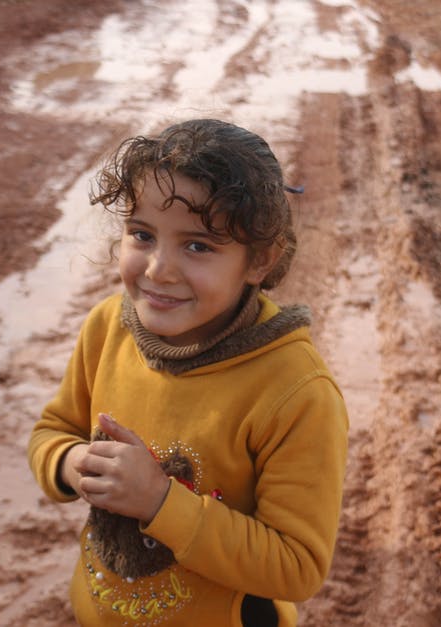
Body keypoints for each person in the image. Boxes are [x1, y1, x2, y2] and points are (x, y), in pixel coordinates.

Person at [28, 119, 349, 626]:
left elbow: (298, 566)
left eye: (197, 245)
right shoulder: (108, 328)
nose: (159, 268)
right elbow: (54, 431)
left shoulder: (295, 392)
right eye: (142, 234)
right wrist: (75, 463)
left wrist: (160, 502)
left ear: (259, 261)